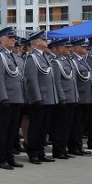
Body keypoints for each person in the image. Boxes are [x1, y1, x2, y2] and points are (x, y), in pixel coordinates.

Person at [0, 27, 25, 170]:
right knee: (2, 130)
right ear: (2, 40)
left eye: (14, 38)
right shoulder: (0, 56)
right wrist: (3, 97)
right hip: (5, 99)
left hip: (16, 98)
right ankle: (1, 159)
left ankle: (10, 156)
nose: (13, 40)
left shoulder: (12, 56)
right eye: (10, 38)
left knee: (12, 131)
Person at [23, 31, 57, 164]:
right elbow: (31, 79)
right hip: (39, 99)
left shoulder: (45, 57)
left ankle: (41, 151)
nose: (46, 41)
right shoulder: (32, 58)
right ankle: (33, 153)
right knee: (36, 127)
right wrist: (37, 97)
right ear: (37, 42)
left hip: (48, 98)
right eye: (44, 39)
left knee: (44, 128)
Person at [49, 38, 78, 160]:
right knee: (59, 127)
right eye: (67, 47)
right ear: (60, 48)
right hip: (64, 99)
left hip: (71, 98)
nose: (70, 49)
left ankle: (63, 149)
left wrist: (75, 96)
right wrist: (62, 98)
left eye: (70, 47)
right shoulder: (56, 62)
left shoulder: (68, 61)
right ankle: (58, 150)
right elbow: (57, 82)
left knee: (67, 126)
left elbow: (73, 82)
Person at [68, 38, 92, 155]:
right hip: (79, 96)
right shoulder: (73, 60)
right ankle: (74, 146)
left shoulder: (82, 60)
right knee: (76, 123)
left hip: (86, 97)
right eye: (83, 47)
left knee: (81, 124)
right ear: (77, 48)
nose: (86, 49)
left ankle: (78, 145)